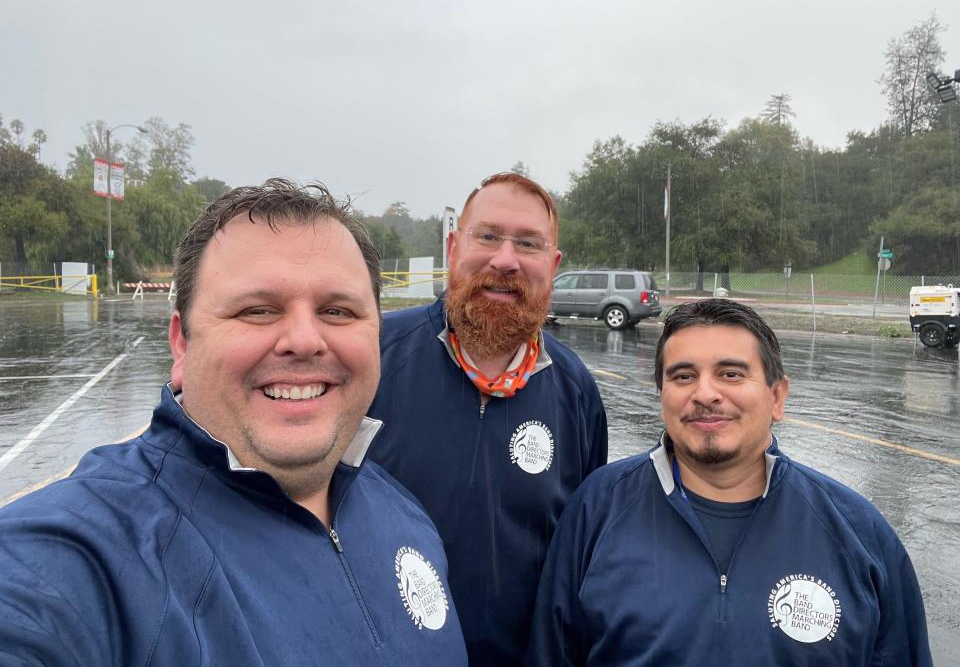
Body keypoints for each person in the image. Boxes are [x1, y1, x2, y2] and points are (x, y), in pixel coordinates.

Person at [0, 180, 467, 666]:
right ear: (182, 344)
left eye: (337, 310)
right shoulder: (90, 555)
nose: (305, 339)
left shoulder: (402, 509)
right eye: (257, 310)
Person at [525, 299, 932, 666]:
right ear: (661, 393)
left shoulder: (860, 534)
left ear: (777, 397)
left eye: (731, 374)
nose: (705, 393)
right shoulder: (596, 509)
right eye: (683, 376)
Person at [367, 171, 608, 665]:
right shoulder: (372, 356)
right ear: (454, 247)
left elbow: (582, 556)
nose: (505, 259)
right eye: (489, 236)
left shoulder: (576, 391)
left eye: (528, 244)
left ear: (553, 264)